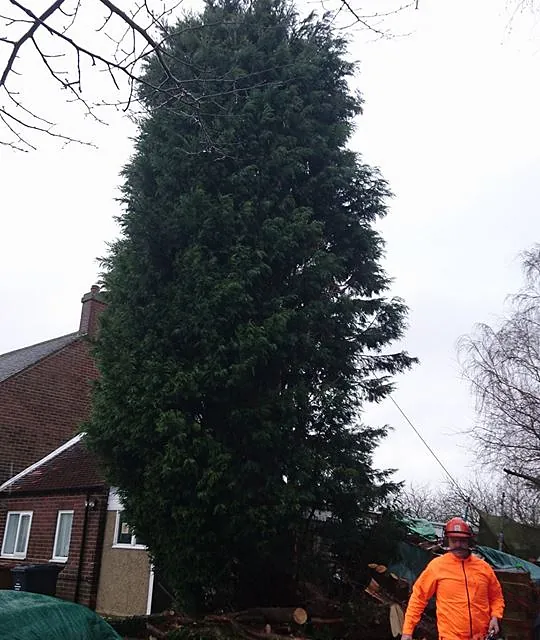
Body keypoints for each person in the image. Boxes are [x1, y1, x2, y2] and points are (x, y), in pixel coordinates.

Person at [401, 517, 504, 640]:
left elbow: (496, 596)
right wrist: (407, 631)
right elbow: (419, 597)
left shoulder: (484, 568)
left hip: (481, 636)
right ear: (447, 541)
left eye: (462, 541)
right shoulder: (437, 566)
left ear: (469, 541)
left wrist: (495, 616)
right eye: (454, 541)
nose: (458, 545)